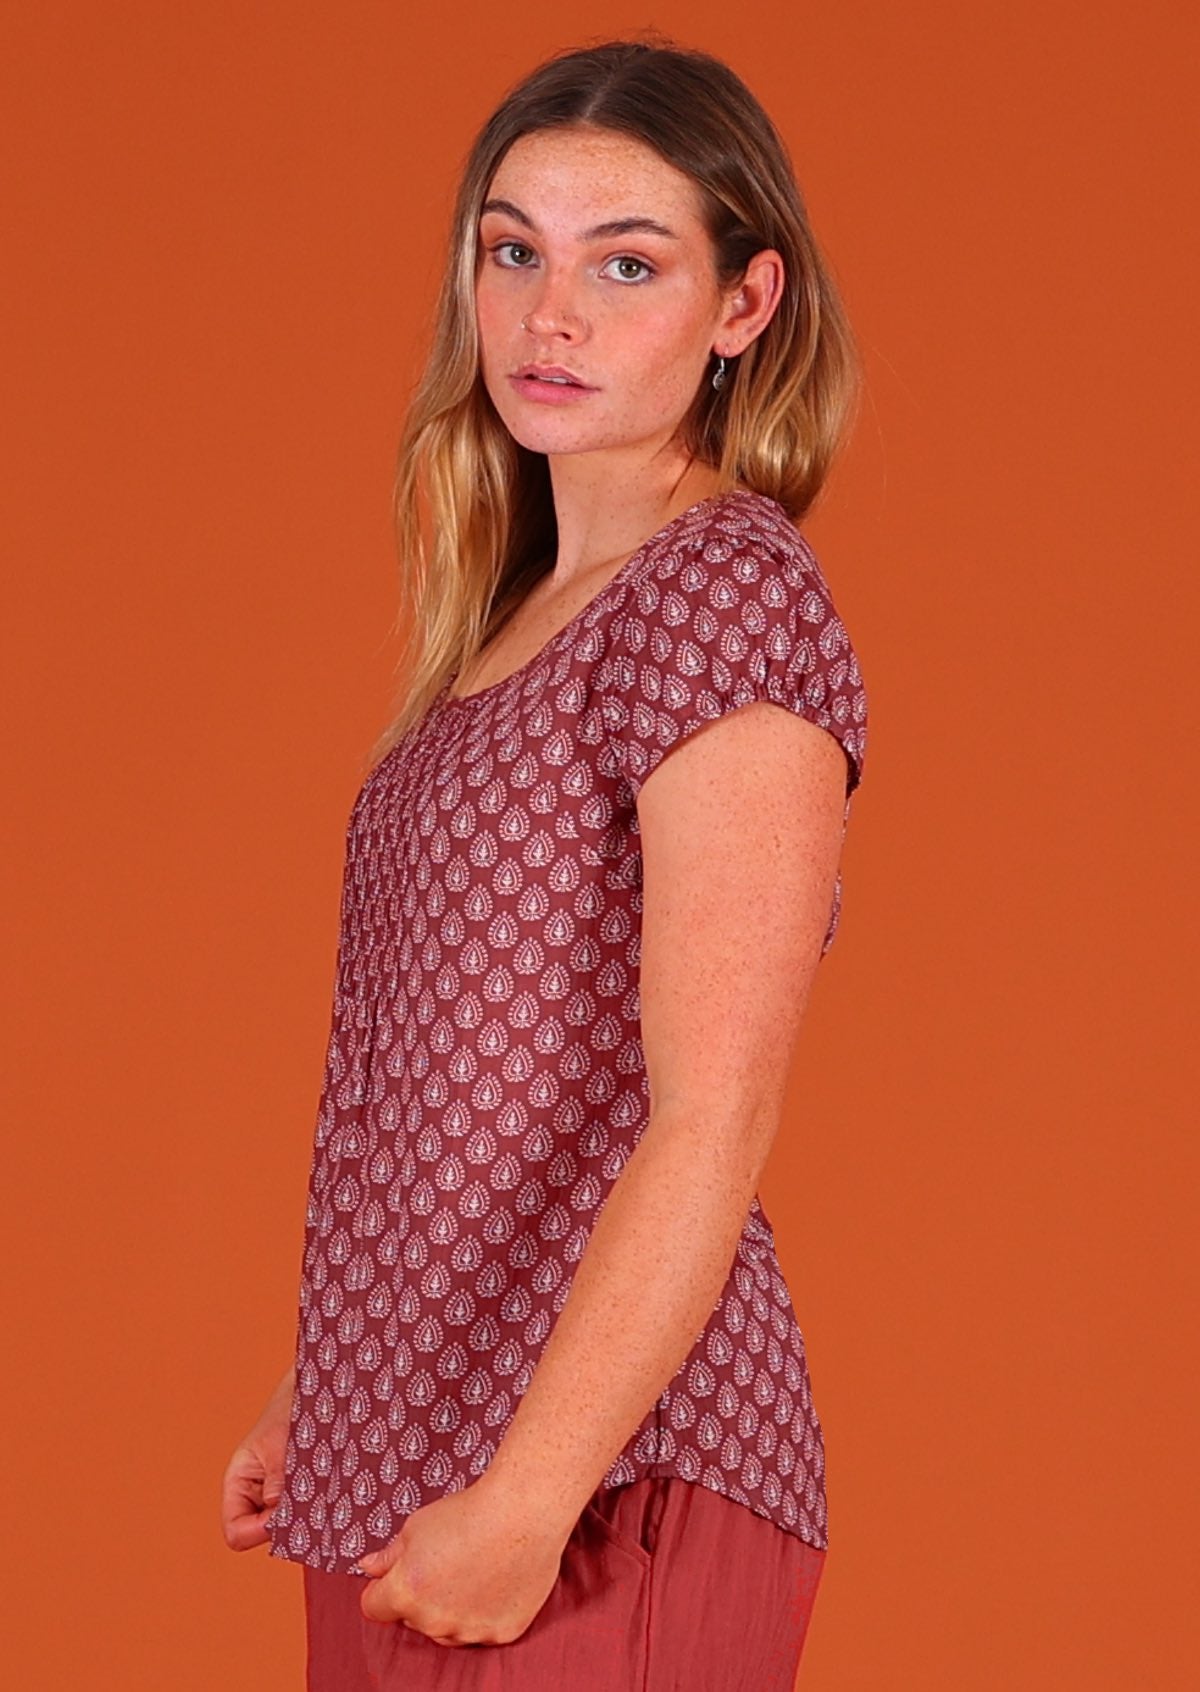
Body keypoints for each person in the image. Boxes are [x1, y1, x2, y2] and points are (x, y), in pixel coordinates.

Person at [221, 33, 869, 1692]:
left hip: (605, 1481)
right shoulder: (505, 628)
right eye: (513, 251)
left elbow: (709, 1117)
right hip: (410, 1471)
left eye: (626, 263)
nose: (548, 315)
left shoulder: (722, 589)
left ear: (746, 304)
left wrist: (529, 1493)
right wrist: (335, 1381)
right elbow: (454, 1065)